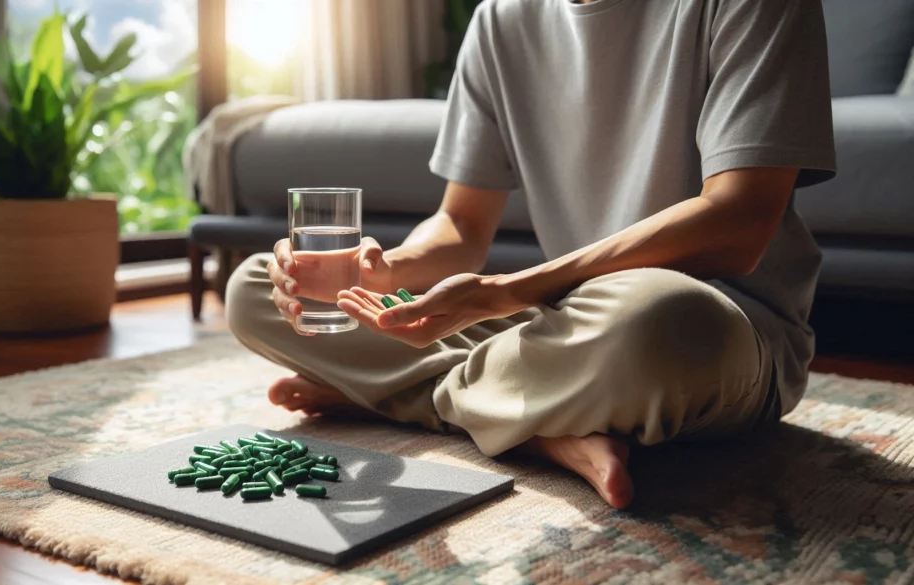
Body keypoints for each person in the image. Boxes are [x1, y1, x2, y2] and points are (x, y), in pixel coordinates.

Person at [226, 0, 836, 509]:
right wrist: (384, 271)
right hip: (566, 317)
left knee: (659, 321)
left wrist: (513, 290)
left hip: (712, 326)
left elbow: (740, 221)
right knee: (258, 288)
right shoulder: (501, 18)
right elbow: (461, 224)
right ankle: (540, 429)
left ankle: (408, 397)